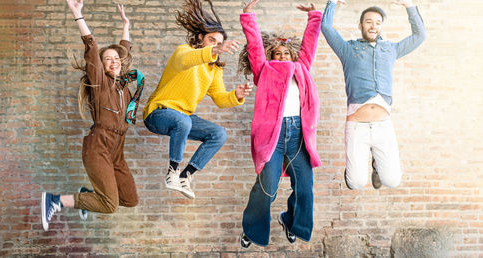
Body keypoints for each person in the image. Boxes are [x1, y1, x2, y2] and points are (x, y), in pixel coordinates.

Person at [41, 0, 145, 231]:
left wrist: (126, 25)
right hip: (98, 146)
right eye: (108, 59)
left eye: (116, 59)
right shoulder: (99, 83)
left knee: (130, 200)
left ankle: (87, 195)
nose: (114, 61)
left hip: (117, 150)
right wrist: (78, 16)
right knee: (110, 205)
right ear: (101, 64)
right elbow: (90, 48)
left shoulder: (123, 86)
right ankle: (55, 200)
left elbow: (125, 53)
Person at [142, 0, 252, 199]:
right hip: (158, 113)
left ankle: (186, 176)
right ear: (201, 38)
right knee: (182, 120)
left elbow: (219, 98)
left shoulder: (213, 69)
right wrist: (215, 51)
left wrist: (236, 96)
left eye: (219, 43)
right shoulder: (184, 51)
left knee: (218, 133)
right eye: (212, 41)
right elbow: (186, 61)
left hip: (183, 117)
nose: (216, 46)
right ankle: (172, 172)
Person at [237, 0, 322, 248]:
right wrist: (248, 16)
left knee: (305, 188)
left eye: (286, 54)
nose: (282, 57)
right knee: (267, 189)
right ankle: (252, 230)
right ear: (271, 57)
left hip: (299, 135)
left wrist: (314, 16)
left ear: (294, 56)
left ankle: (291, 220)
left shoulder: (301, 68)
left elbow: (310, 43)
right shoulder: (264, 70)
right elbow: (254, 47)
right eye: (277, 54)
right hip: (272, 136)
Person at [321, 0, 426, 190]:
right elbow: (326, 28)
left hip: (383, 126)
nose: (373, 26)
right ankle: (354, 168)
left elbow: (420, 36)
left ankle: (376, 166)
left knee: (393, 181)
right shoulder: (347, 49)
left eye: (378, 22)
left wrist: (409, 6)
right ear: (360, 26)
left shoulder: (391, 49)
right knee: (356, 183)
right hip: (356, 127)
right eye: (369, 22)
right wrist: (332, 2)